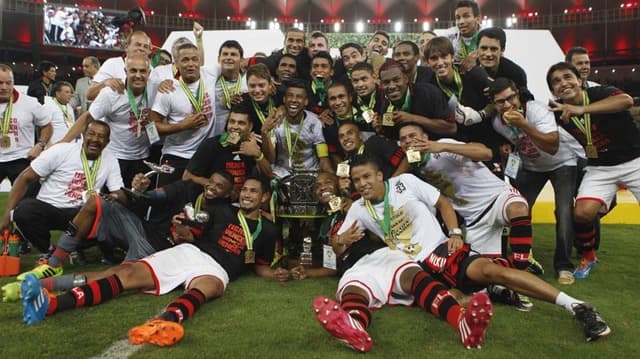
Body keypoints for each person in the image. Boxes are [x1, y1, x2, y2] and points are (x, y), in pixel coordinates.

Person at [313, 155, 610, 352]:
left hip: (441, 252)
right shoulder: (357, 209)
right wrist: (342, 239)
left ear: (380, 175)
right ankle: (479, 304)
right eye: (356, 180)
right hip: (415, 270)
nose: (361, 184)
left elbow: (443, 203)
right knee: (452, 298)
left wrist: (454, 234)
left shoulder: (405, 183)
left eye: (366, 177)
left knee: (496, 272)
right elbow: (339, 246)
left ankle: (576, 305)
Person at [20, 177, 288, 348]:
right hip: (190, 252)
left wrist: (274, 274)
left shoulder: (269, 229)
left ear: (264, 197)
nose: (247, 195)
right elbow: (191, 233)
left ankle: (165, 322)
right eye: (244, 190)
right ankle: (52, 304)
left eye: (254, 191)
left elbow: (259, 264)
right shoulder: (221, 210)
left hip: (218, 270)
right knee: (126, 276)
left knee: (208, 289)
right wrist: (182, 230)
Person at [1, 171, 234, 301]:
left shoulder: (223, 213)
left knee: (112, 275)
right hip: (144, 232)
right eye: (211, 182)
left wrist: (189, 238)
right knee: (95, 202)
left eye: (219, 187)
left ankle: (42, 286)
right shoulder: (189, 188)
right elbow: (153, 197)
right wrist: (135, 192)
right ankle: (54, 263)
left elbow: (208, 249)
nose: (211, 188)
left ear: (228, 193)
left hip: (163, 253)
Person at [547, 62, 640, 279]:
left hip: (634, 161)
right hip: (600, 167)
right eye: (556, 81)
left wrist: (582, 109)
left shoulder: (599, 92)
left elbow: (625, 100)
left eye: (567, 77)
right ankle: (589, 256)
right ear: (553, 91)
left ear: (580, 80)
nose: (563, 83)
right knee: (581, 213)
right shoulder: (557, 111)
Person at [488, 78, 584, 284]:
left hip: (562, 163)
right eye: (500, 101)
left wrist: (523, 124)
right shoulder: (497, 123)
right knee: (514, 208)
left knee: (564, 211)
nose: (507, 105)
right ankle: (515, 257)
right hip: (532, 168)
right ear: (494, 104)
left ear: (518, 94)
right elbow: (510, 143)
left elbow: (552, 146)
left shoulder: (537, 110)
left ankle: (564, 266)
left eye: (510, 98)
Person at [1, 120, 123, 256]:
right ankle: (48, 250)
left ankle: (75, 248)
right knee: (24, 211)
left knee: (110, 214)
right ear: (83, 135)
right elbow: (24, 178)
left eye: (101, 136)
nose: (95, 139)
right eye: (91, 134)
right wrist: (7, 214)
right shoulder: (61, 151)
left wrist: (115, 196)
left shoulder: (110, 159)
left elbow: (118, 191)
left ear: (107, 142)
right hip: (49, 208)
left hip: (81, 213)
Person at [62, 55, 153, 188]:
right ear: (125, 71)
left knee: (136, 200)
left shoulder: (156, 88)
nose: (138, 75)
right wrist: (63, 144)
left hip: (143, 157)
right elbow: (87, 118)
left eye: (143, 71)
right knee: (112, 199)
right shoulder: (111, 93)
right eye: (133, 70)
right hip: (115, 157)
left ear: (149, 73)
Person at [150, 43, 216, 186]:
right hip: (176, 156)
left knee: (197, 206)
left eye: (194, 59)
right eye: (185, 60)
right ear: (176, 64)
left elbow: (238, 63)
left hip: (204, 158)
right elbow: (151, 130)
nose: (190, 64)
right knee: (165, 206)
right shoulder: (168, 90)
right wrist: (182, 126)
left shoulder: (210, 74)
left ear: (200, 61)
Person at [183, 102, 271, 197]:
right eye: (232, 122)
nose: (235, 127)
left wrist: (257, 154)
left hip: (243, 200)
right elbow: (187, 176)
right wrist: (217, 186)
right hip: (215, 200)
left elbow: (269, 175)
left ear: (250, 127)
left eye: (241, 123)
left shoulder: (253, 144)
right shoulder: (212, 144)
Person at [0, 63, 52, 199]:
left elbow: (47, 125)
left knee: (27, 206)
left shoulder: (30, 103)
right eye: (0, 83)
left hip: (22, 158)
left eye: (8, 83)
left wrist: (40, 145)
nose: (4, 87)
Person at [262, 80, 332, 178]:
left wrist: (330, 175)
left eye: (299, 97)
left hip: (310, 175)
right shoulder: (276, 121)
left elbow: (323, 157)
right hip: (283, 174)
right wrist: (264, 133)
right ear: (284, 99)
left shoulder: (315, 122)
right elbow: (271, 159)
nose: (294, 100)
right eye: (290, 96)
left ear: (306, 101)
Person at [378, 60, 454, 140]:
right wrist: (380, 129)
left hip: (440, 147)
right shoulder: (386, 107)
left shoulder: (428, 93)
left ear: (406, 79)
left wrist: (413, 118)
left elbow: (451, 128)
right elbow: (392, 138)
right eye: (386, 82)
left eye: (396, 80)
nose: (391, 86)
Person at [87, 30, 152, 102]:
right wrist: (105, 83)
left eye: (145, 47)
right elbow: (90, 95)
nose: (141, 49)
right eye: (138, 45)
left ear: (149, 51)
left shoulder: (153, 71)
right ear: (127, 47)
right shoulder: (112, 64)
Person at [211, 40, 248, 137]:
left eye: (233, 54)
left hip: (240, 137)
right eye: (225, 54)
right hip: (215, 137)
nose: (229, 57)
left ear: (242, 60)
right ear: (219, 59)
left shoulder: (248, 82)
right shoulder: (211, 81)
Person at [444, 0, 483, 68]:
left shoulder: (488, 36)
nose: (461, 22)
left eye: (466, 16)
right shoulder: (449, 38)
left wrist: (479, 54)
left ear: (478, 19)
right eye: (458, 18)